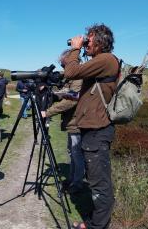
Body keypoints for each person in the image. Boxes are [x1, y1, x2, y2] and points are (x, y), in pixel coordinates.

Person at [64, 23, 119, 229]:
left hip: (98, 131)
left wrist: (76, 48)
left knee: (99, 184)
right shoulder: (100, 61)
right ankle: (94, 220)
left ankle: (98, 226)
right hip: (94, 129)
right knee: (95, 179)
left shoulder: (106, 59)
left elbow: (71, 71)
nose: (86, 41)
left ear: (100, 41)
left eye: (89, 38)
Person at [42, 50, 84, 194]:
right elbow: (67, 92)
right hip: (73, 121)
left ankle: (77, 184)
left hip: (78, 121)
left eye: (63, 64)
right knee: (72, 153)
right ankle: (72, 179)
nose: (63, 67)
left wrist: (48, 112)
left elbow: (72, 100)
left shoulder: (78, 76)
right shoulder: (73, 77)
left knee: (77, 154)